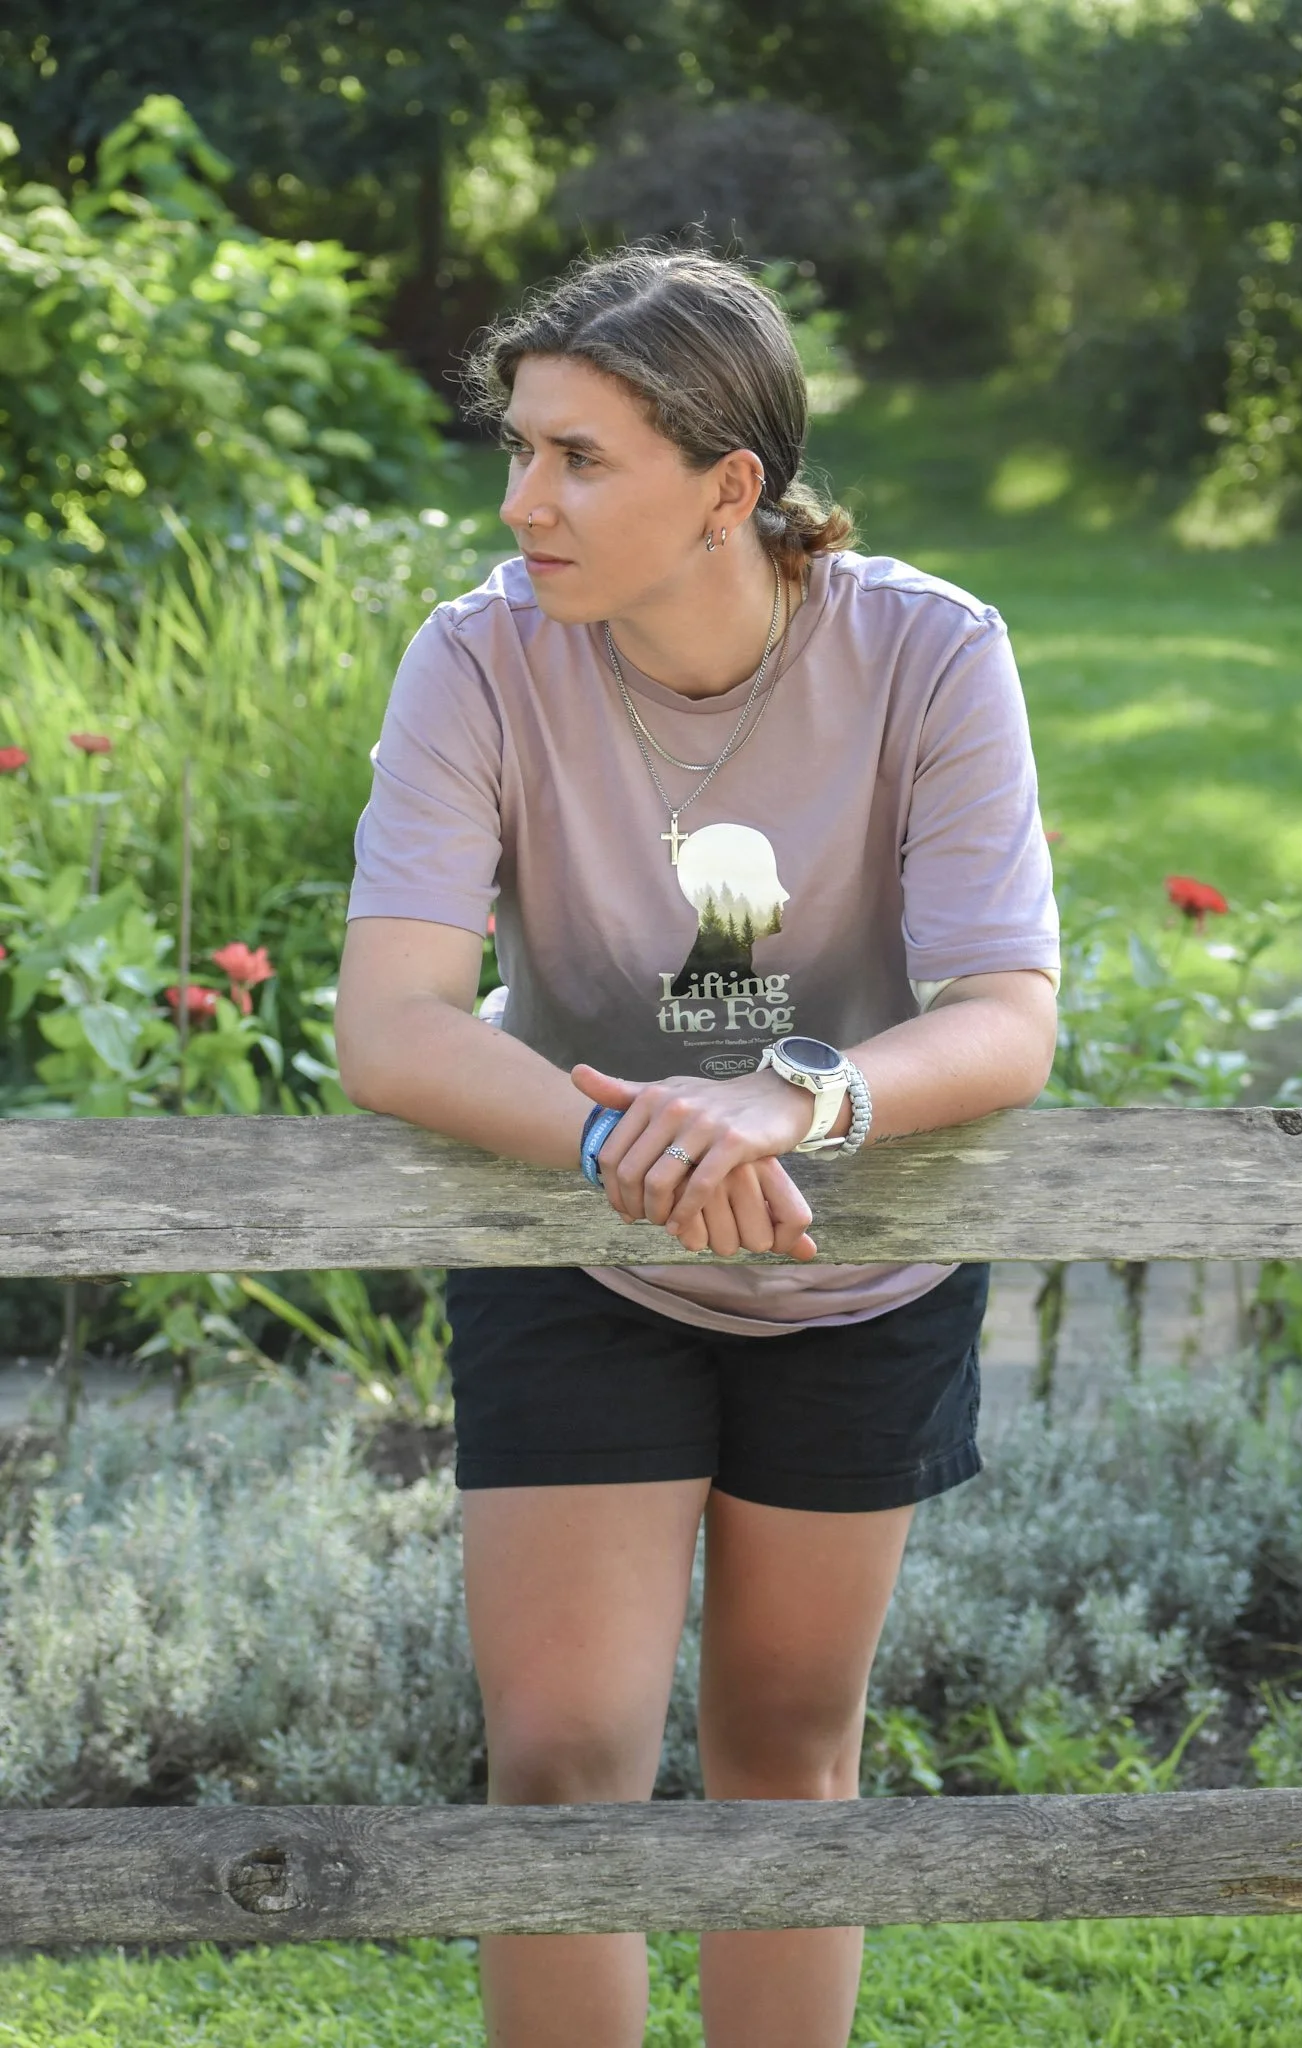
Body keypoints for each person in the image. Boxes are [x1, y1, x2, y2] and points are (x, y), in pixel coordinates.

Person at [334, 242, 1060, 2048]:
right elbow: (394, 1024)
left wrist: (786, 1098)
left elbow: (1005, 1013)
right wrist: (629, 1148)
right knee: (560, 1765)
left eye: (579, 459)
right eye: (521, 449)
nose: (523, 502)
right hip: (576, 1248)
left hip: (852, 1262)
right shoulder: (477, 658)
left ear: (731, 487)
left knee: (788, 1753)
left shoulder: (931, 651)